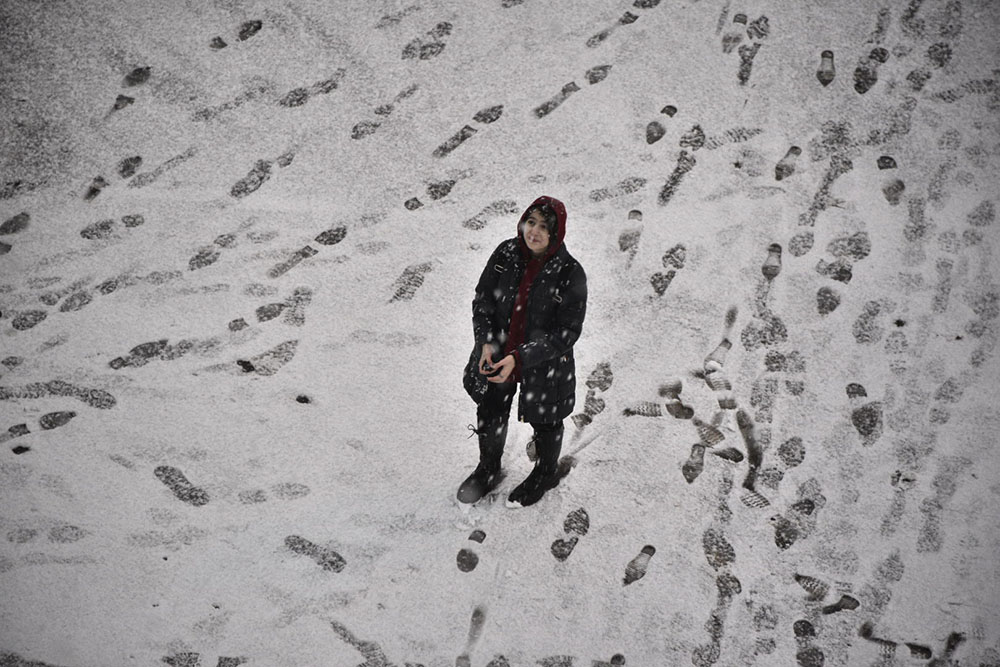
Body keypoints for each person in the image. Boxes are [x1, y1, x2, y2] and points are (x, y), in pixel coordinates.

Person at [459, 195, 587, 508]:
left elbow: (567, 333)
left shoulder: (570, 273)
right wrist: (486, 341)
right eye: (531, 222)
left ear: (556, 233)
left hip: (542, 363)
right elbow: (483, 300)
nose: (535, 231)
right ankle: (488, 468)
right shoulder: (506, 252)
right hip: (498, 352)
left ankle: (545, 472)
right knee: (491, 409)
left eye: (544, 226)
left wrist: (521, 357)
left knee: (546, 418)